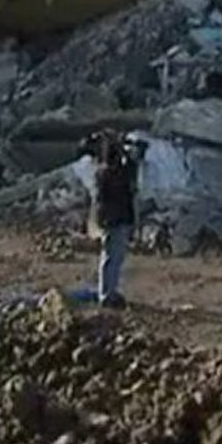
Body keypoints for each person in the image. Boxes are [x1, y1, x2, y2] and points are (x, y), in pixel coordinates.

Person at [79, 128, 141, 309]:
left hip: (113, 219)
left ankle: (108, 291)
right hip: (115, 219)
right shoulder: (108, 174)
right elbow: (126, 180)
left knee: (113, 257)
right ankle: (106, 294)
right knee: (112, 258)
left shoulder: (102, 172)